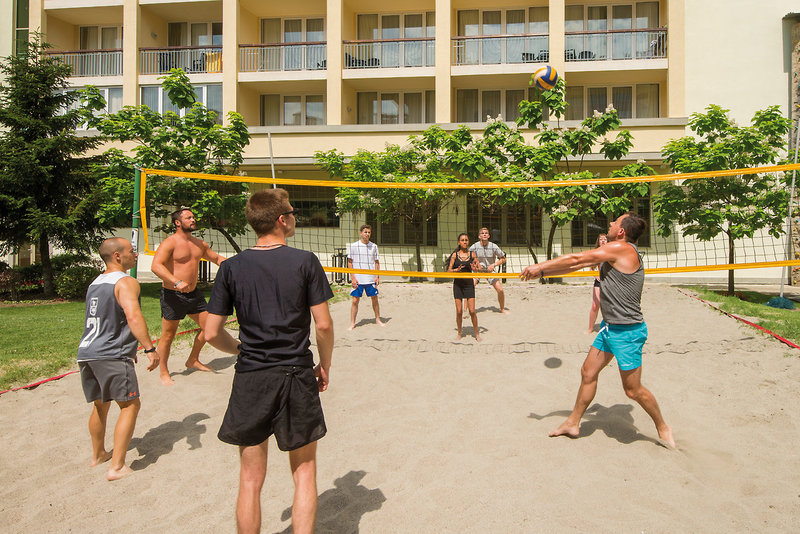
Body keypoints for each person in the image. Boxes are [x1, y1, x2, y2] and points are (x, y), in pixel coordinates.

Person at [203, 188, 334, 534]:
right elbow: (323, 325)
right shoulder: (305, 261)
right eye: (292, 212)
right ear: (281, 220)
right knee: (304, 473)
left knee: (250, 478)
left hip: (251, 376)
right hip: (295, 373)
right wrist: (325, 364)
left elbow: (211, 332)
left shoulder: (231, 267)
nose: (294, 218)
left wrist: (239, 349)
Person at [520, 213, 675, 448]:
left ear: (621, 232)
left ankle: (663, 426)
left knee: (632, 391)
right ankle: (573, 422)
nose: (610, 223)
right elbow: (577, 264)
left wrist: (539, 266)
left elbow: (576, 257)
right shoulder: (614, 251)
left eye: (615, 222)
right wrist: (542, 273)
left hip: (627, 332)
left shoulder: (622, 249)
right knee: (588, 373)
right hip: (609, 327)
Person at [77, 237, 160, 481]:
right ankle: (117, 467)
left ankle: (98, 455)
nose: (135, 254)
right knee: (130, 405)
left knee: (100, 405)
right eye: (131, 251)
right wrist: (149, 348)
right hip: (111, 353)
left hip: (87, 351)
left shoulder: (95, 283)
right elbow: (133, 316)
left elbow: (108, 318)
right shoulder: (126, 282)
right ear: (117, 256)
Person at [150, 207, 226, 386]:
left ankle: (193, 359)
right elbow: (156, 266)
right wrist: (176, 281)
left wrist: (241, 264)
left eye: (193, 217)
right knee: (168, 336)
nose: (193, 220)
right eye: (188, 218)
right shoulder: (170, 242)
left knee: (209, 329)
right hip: (172, 295)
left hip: (194, 294)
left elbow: (217, 259)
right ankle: (163, 371)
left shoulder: (199, 244)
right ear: (178, 222)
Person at [347, 224, 385, 330]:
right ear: (361, 233)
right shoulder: (354, 246)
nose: (367, 234)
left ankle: (378, 319)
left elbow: (376, 262)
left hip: (370, 278)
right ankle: (352, 323)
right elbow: (349, 262)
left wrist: (377, 276)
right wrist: (353, 278)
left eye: (369, 232)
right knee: (355, 301)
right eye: (365, 232)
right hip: (358, 278)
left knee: (375, 299)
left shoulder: (374, 246)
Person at [447, 233, 481, 341]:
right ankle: (459, 333)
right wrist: (456, 270)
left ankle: (477, 334)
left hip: (468, 284)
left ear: (468, 242)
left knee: (472, 311)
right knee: (459, 311)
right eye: (462, 240)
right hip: (458, 284)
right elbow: (448, 270)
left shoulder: (472, 254)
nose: (465, 242)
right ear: (459, 242)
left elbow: (479, 269)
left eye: (466, 240)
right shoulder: (455, 255)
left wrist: (475, 268)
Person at [470, 227, 509, 313]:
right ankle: (466, 310)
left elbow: (503, 259)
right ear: (479, 236)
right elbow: (468, 259)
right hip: (478, 270)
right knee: (470, 288)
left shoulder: (493, 246)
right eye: (482, 233)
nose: (484, 234)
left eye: (486, 233)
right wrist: (475, 266)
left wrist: (494, 265)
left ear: (489, 236)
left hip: (489, 270)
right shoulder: (474, 246)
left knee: (500, 290)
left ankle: (502, 309)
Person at [586, 233, 608, 333]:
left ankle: (611, 327)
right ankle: (590, 328)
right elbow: (591, 268)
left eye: (605, 239)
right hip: (599, 281)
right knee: (595, 305)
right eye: (601, 239)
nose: (603, 241)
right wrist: (596, 276)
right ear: (598, 242)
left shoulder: (612, 252)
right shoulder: (596, 253)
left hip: (610, 282)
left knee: (609, 305)